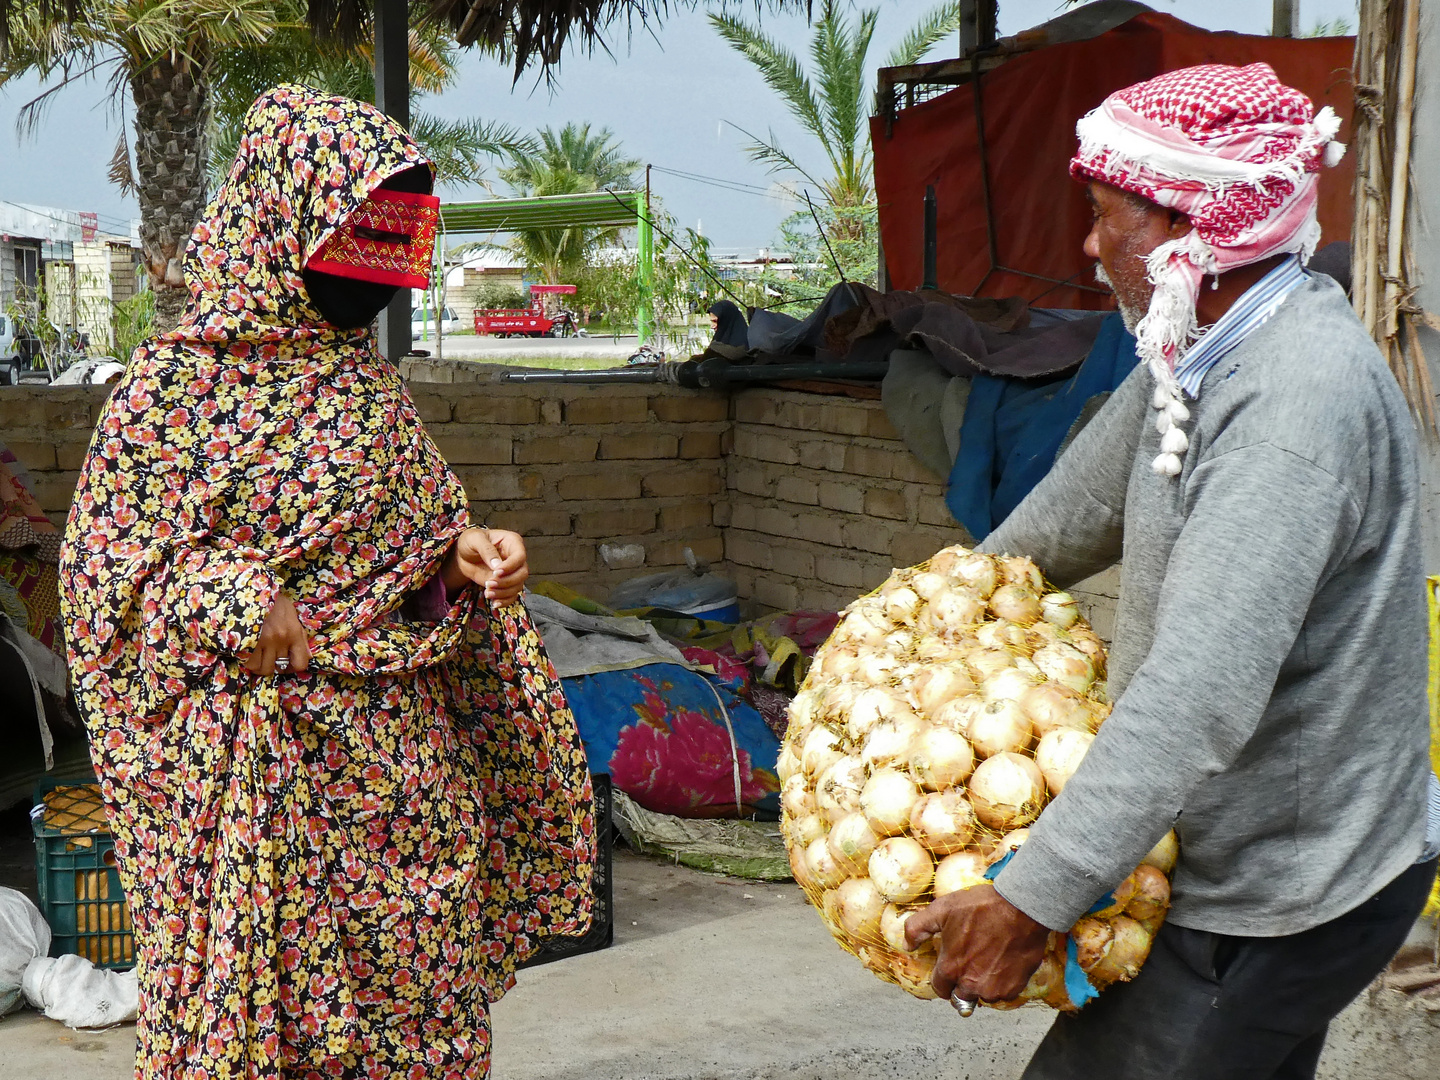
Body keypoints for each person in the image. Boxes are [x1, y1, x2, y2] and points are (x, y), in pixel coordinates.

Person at [907, 63, 1440, 1079]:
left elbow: (1196, 694)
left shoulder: (1295, 405)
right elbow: (1072, 511)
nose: (1088, 244)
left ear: (1200, 240)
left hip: (1289, 891)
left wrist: (1035, 894)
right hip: (1241, 855)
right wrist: (938, 613)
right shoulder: (1194, 347)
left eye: (1111, 219)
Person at [57, 84, 596, 1079]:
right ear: (277, 221)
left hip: (404, 797)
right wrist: (233, 598)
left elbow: (414, 550)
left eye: (386, 251)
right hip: (246, 799)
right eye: (351, 242)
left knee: (416, 1039)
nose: (372, 281)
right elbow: (111, 588)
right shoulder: (166, 399)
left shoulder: (370, 395)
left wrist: (466, 561)